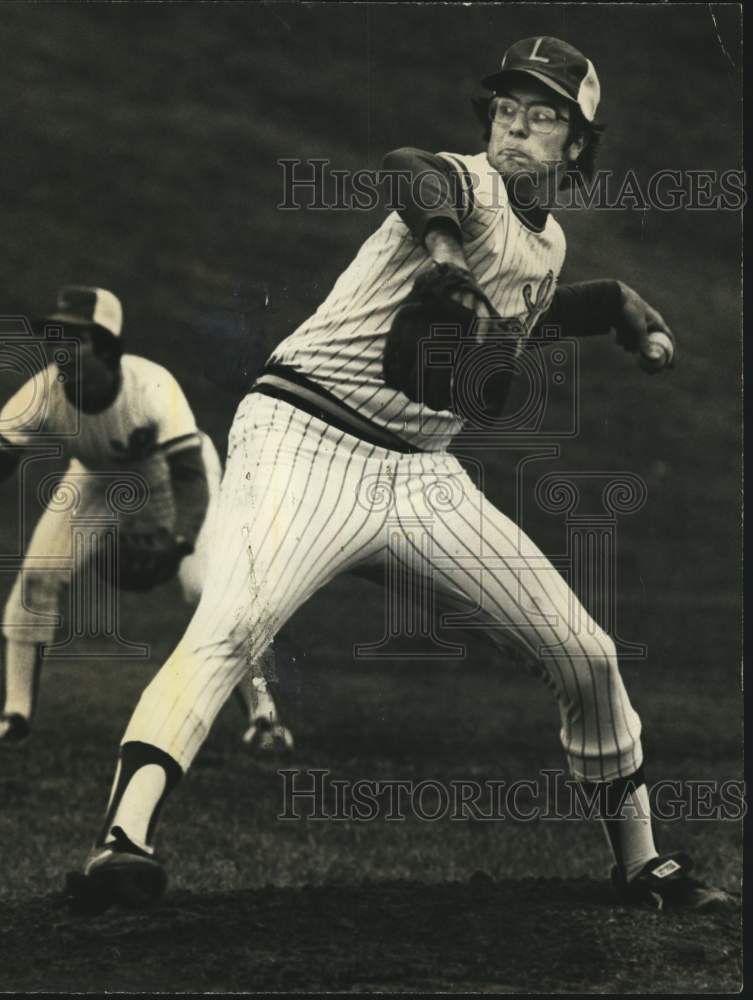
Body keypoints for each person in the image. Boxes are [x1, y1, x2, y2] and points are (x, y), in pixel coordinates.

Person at [66, 38, 733, 914]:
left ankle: (641, 863)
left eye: (544, 116)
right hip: (300, 434)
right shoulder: (457, 184)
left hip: (418, 475)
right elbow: (404, 167)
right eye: (506, 109)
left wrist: (607, 305)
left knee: (586, 653)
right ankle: (122, 841)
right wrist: (449, 260)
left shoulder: (550, 244)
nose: (516, 128)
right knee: (233, 620)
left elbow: (516, 314)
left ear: (576, 144)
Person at [0, 285, 292, 753]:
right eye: (54, 335)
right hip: (95, 478)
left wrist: (178, 541)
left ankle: (264, 716)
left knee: (207, 589)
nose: (59, 348)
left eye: (74, 337)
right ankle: (15, 714)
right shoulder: (40, 393)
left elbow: (190, 474)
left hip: (170, 477)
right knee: (37, 578)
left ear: (108, 347)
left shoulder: (150, 386)